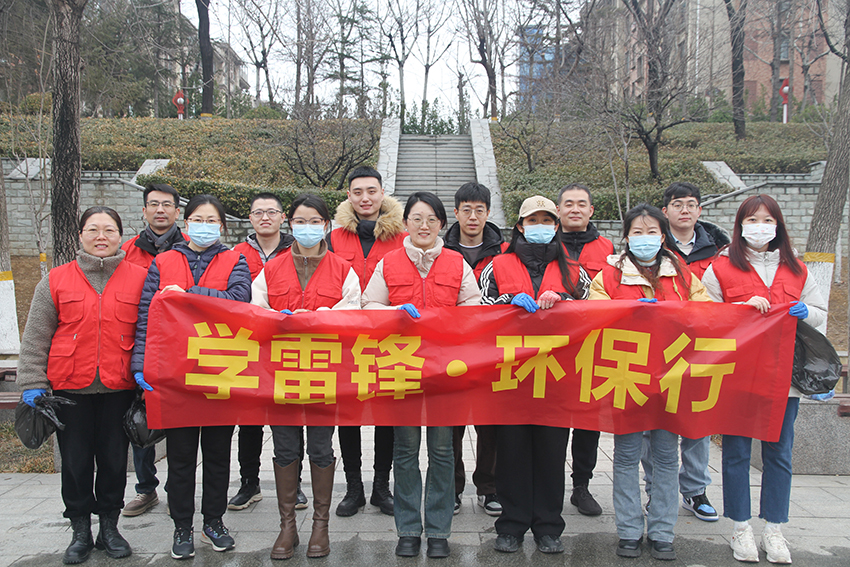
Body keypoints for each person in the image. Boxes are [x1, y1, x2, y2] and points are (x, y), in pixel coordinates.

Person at [701, 194, 826, 564]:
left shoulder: (797, 269)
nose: (760, 227)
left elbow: (820, 312)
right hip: (737, 375)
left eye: (767, 220)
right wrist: (738, 311)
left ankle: (774, 528)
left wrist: (806, 312)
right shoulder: (721, 268)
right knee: (736, 452)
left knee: (779, 452)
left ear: (778, 226)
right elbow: (703, 317)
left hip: (784, 377)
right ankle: (740, 526)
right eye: (752, 220)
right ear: (740, 226)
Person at [19, 207, 148, 564]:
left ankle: (109, 527)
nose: (101, 236)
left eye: (109, 230)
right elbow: (36, 335)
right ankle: (80, 530)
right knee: (75, 463)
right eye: (93, 230)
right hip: (68, 392)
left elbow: (152, 331)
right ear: (80, 235)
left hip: (119, 389)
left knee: (113, 461)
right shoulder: (57, 279)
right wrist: (32, 381)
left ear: (121, 236)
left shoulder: (140, 278)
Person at [131, 194, 252, 560]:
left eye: (211, 220)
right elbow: (146, 316)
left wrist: (187, 294)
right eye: (198, 219)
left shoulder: (235, 259)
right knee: (181, 457)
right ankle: (181, 525)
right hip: (176, 374)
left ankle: (213, 521)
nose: (204, 226)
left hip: (220, 370)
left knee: (217, 455)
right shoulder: (164, 261)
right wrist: (140, 365)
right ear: (186, 224)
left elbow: (239, 300)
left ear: (222, 227)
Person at [589, 203, 711, 561]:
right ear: (626, 237)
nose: (645, 238)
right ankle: (629, 530)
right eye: (637, 232)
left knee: (666, 457)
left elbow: (707, 313)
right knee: (626, 456)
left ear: (663, 235)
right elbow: (593, 316)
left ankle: (661, 532)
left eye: (652, 232)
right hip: (626, 375)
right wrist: (633, 314)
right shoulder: (609, 275)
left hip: (672, 376)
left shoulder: (683, 274)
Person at [362, 191, 480, 559]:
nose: (423, 225)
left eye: (431, 219)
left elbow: (473, 307)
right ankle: (409, 529)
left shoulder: (457, 263)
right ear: (405, 223)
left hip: (446, 371)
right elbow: (369, 304)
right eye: (416, 218)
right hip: (403, 369)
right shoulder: (389, 263)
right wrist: (394, 311)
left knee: (443, 452)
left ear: (442, 223)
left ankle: (440, 531)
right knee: (405, 451)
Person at [479, 195, 590, 555]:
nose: (540, 227)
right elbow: (478, 311)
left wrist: (565, 303)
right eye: (532, 221)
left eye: (546, 221)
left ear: (556, 226)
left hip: (557, 377)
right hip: (510, 377)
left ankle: (548, 526)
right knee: (511, 454)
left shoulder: (574, 270)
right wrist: (506, 305)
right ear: (520, 226)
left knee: (551, 454)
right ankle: (511, 525)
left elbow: (593, 312)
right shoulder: (496, 266)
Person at [252, 194, 360, 559]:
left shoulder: (343, 269)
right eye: (300, 221)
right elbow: (255, 313)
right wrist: (279, 321)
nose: (308, 227)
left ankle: (320, 525)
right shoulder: (271, 269)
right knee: (284, 447)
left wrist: (318, 319)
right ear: (290, 224)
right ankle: (287, 527)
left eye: (315, 221)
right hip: (280, 373)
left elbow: (353, 312)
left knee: (320, 446)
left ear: (326, 225)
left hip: (324, 373)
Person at [641, 181, 730, 523]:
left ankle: (695, 490)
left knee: (695, 420)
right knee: (652, 422)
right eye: (678, 204)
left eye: (691, 204)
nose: (685, 210)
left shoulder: (719, 250)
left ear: (699, 210)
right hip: (654, 349)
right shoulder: (652, 247)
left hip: (699, 349)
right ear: (665, 211)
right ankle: (656, 489)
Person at [328, 166, 406, 517]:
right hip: (345, 339)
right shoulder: (333, 237)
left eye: (371, 191)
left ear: (382, 193)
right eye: (357, 192)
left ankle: (381, 487)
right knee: (349, 415)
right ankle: (353, 488)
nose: (365, 198)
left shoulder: (401, 235)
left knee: (387, 415)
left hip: (388, 339)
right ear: (349, 195)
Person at [120, 183, 187, 518]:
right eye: (154, 204)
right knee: (142, 418)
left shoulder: (191, 249)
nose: (160, 210)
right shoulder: (127, 251)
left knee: (180, 424)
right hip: (142, 342)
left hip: (183, 348)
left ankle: (178, 487)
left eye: (167, 204)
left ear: (178, 211)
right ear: (144, 210)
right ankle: (146, 488)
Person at [228, 192, 296, 513]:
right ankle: (249, 482)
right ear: (250, 218)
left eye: (271, 212)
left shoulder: (298, 251)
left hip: (289, 347)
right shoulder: (235, 254)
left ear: (283, 217)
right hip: (250, 346)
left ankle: (293, 484)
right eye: (258, 212)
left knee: (290, 418)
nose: (265, 217)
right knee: (250, 420)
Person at [443, 182, 506, 516]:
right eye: (466, 209)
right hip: (450, 349)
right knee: (452, 423)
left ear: (488, 213)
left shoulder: (504, 253)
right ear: (455, 212)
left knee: (490, 422)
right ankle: (453, 487)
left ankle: (489, 486)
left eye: (479, 210)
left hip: (491, 350)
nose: (472, 216)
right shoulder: (441, 251)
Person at [555, 183, 615, 517]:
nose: (575, 209)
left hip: (593, 346)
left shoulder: (607, 248)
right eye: (568, 204)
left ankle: (582, 485)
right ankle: (550, 482)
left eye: (581, 204)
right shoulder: (547, 243)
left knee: (588, 420)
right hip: (552, 348)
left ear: (591, 210)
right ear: (559, 210)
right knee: (553, 419)